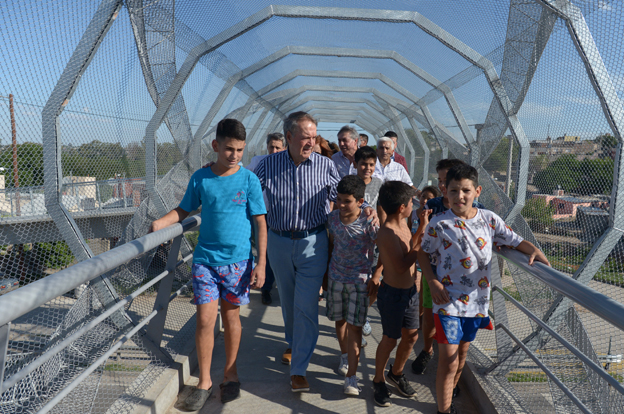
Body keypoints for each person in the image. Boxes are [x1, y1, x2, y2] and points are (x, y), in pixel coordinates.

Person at [255, 111, 378, 393]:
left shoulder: (325, 166)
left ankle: (299, 368)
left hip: (313, 242)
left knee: (307, 305)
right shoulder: (267, 165)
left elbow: (343, 197)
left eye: (314, 137)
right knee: (287, 301)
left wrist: (366, 207)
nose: (311, 142)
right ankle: (293, 341)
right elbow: (248, 192)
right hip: (279, 241)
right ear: (288, 137)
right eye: (305, 137)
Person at [150, 119, 267, 410]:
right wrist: (161, 223)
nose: (235, 155)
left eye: (239, 150)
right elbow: (184, 208)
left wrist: (261, 263)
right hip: (205, 260)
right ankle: (204, 380)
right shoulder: (201, 178)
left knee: (231, 318)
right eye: (229, 149)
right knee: (205, 320)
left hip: (238, 262)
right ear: (216, 146)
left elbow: (260, 222)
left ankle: (231, 374)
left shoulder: (249, 180)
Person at [418, 163, 549, 414]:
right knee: (447, 359)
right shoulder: (439, 223)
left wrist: (532, 249)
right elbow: (423, 254)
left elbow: (513, 239)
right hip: (447, 302)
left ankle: (451, 393)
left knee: (462, 355)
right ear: (445, 191)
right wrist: (433, 282)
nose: (460, 197)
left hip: (476, 303)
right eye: (454, 191)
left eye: (466, 190)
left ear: (477, 191)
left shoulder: (488, 220)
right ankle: (443, 410)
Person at [411, 159, 485, 380]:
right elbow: (421, 234)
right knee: (429, 314)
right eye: (441, 181)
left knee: (460, 335)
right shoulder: (432, 205)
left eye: (447, 181)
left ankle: (452, 381)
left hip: (461, 279)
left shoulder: (476, 209)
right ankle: (427, 350)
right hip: (432, 270)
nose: (443, 186)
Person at [325, 175, 379, 396]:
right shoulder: (332, 219)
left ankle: (351, 378)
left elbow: (382, 246)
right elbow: (330, 244)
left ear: (359, 201)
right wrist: (325, 275)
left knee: (355, 327)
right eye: (338, 199)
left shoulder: (369, 222)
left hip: (359, 282)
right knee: (340, 322)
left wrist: (377, 274)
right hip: (336, 278)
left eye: (346, 201)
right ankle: (345, 356)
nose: (341, 205)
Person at [372, 181, 421, 407]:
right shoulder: (388, 232)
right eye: (411, 202)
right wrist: (420, 247)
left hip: (410, 292)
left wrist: (421, 229)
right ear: (402, 207)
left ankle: (397, 372)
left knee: (411, 335)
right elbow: (401, 266)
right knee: (390, 339)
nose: (413, 205)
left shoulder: (404, 224)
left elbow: (410, 246)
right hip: (393, 295)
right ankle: (379, 379)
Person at [245, 133, 287, 306]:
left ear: (284, 148)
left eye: (278, 147)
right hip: (261, 214)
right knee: (264, 251)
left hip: (281, 214)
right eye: (271, 147)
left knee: (278, 252)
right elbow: (241, 175)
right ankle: (265, 288)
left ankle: (276, 286)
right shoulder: (258, 161)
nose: (274, 150)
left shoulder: (286, 162)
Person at [407, 185, 441, 376]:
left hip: (433, 263)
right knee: (420, 297)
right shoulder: (416, 214)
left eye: (429, 198)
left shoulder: (437, 215)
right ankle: (424, 341)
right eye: (423, 198)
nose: (425, 202)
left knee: (421, 298)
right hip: (418, 258)